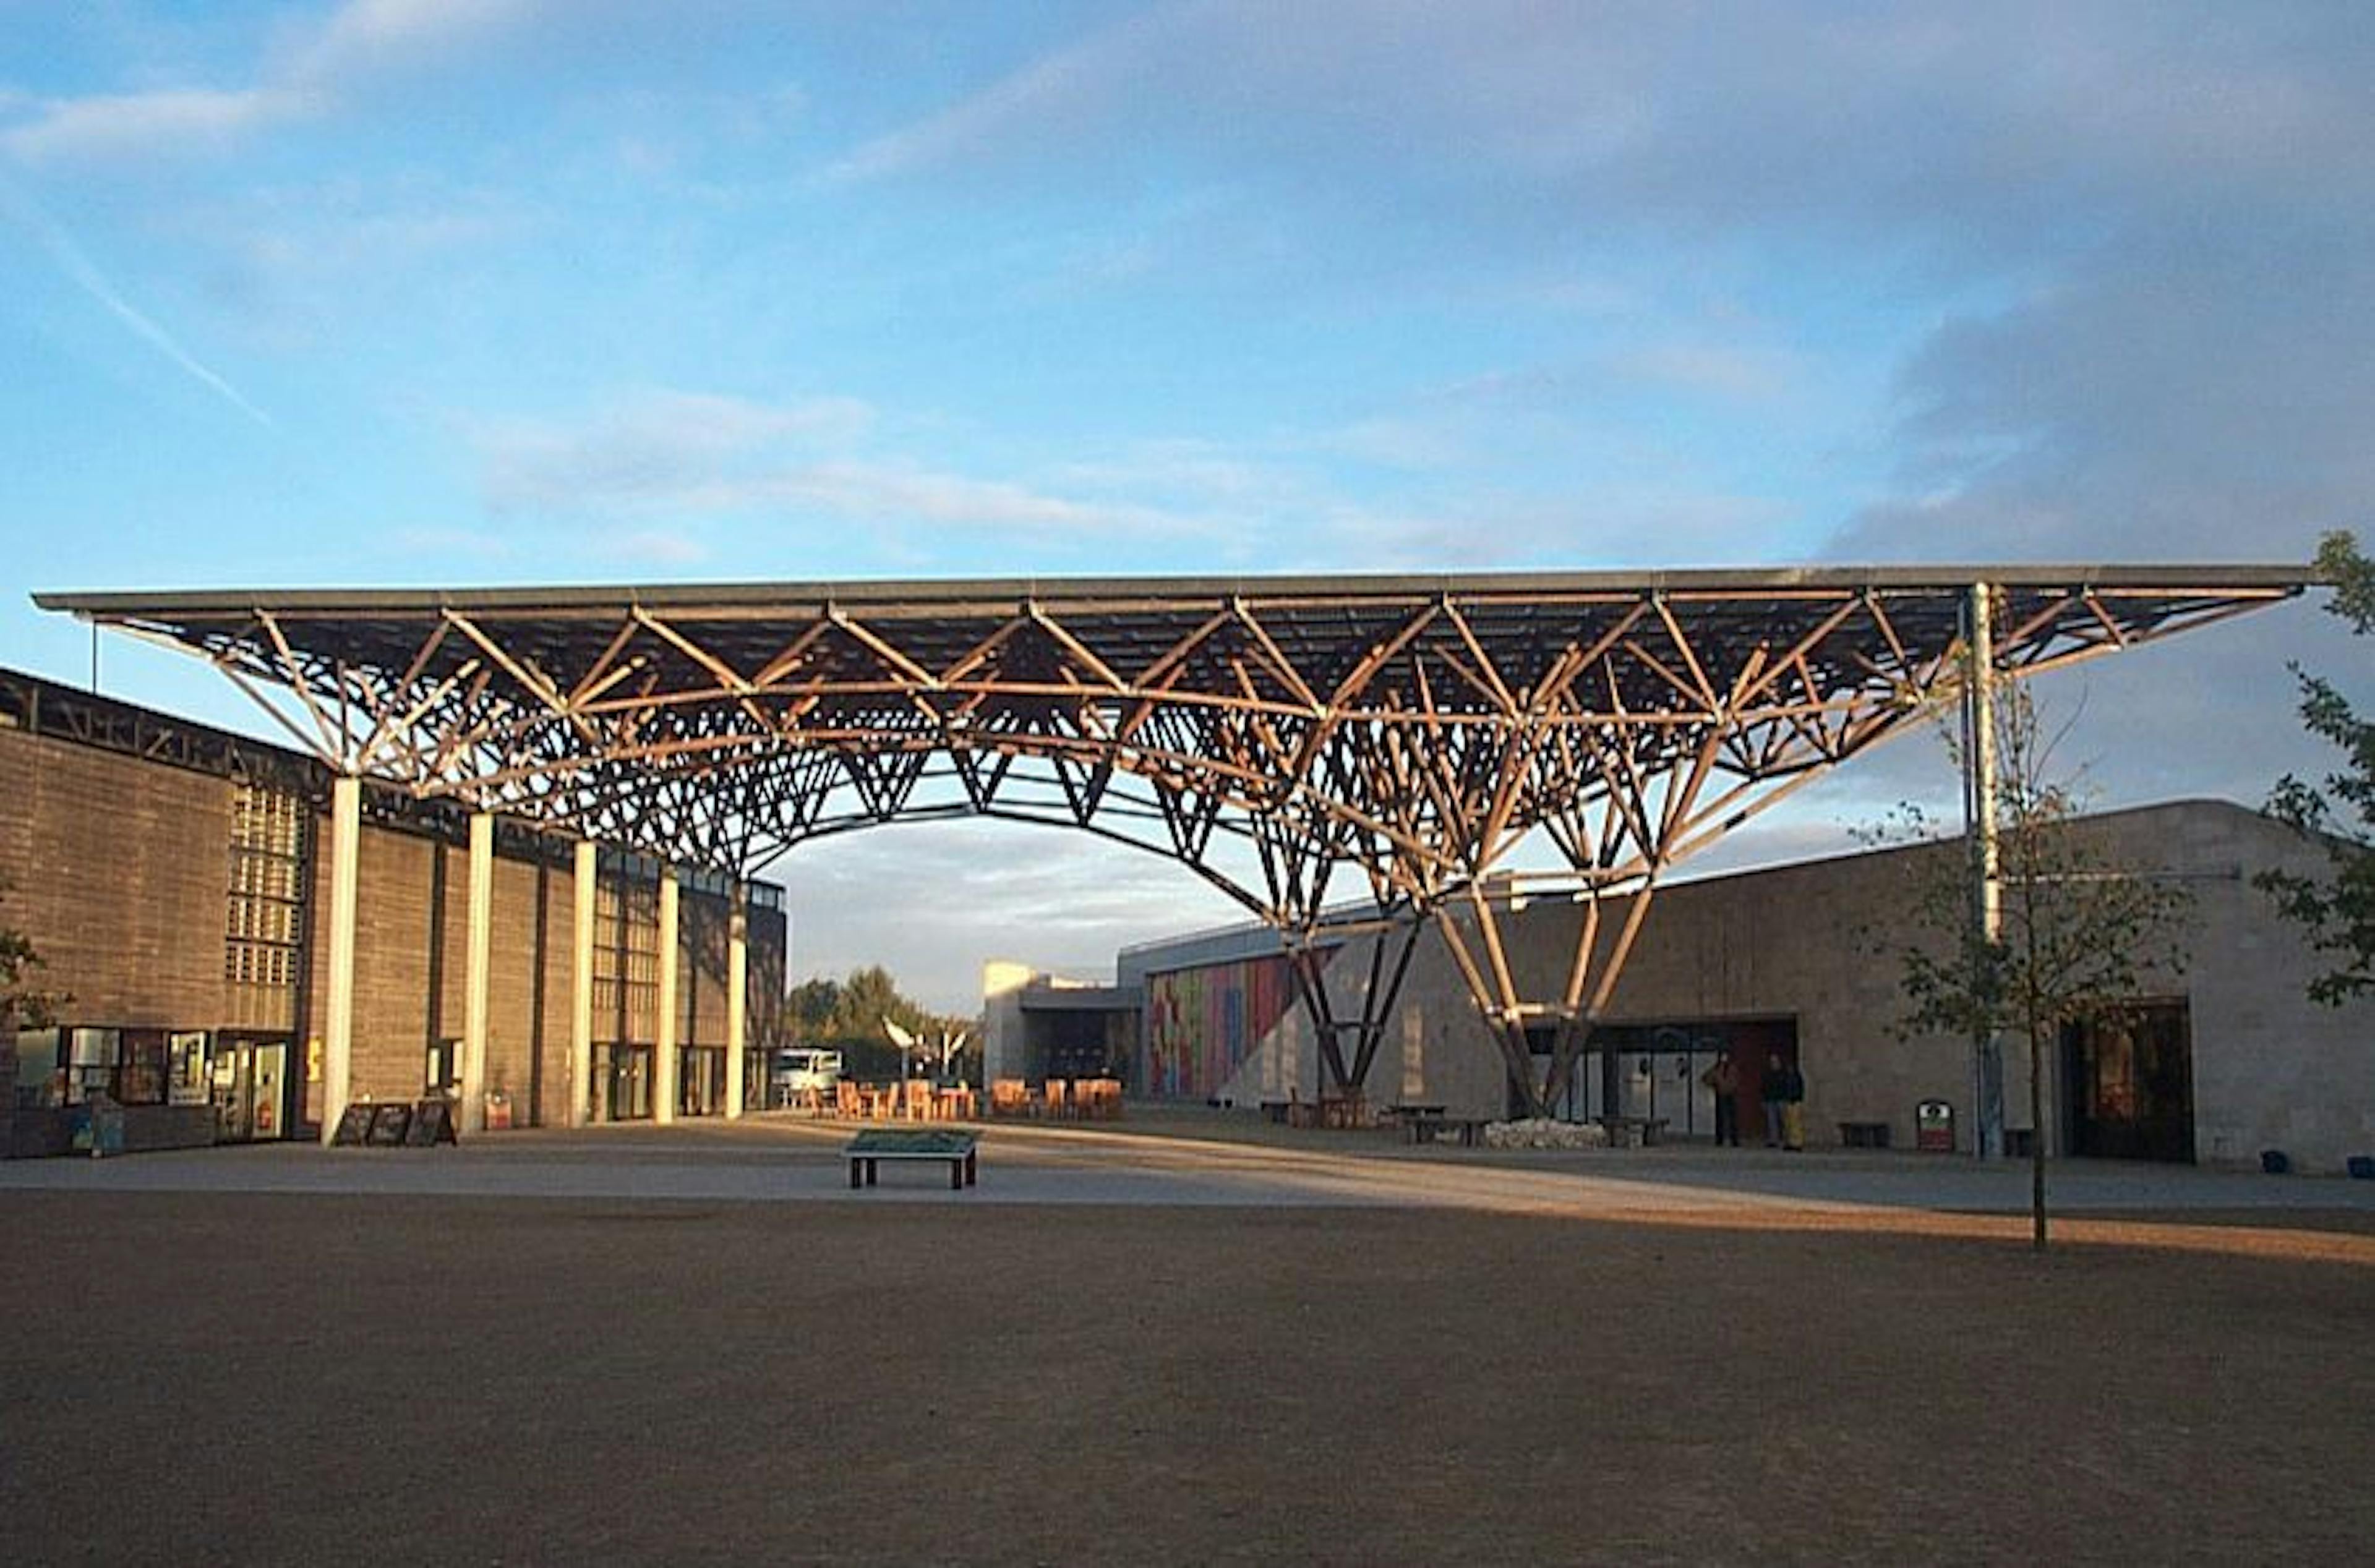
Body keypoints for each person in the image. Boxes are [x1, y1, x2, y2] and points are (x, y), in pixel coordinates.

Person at [1700, 1052, 1741, 1146]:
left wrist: (1733, 1087)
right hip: (1721, 1095)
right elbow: (1706, 1077)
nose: (1724, 1059)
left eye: (1726, 1057)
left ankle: (1734, 1139)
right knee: (1720, 1118)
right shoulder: (1716, 1068)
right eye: (1723, 1057)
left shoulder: (1732, 1068)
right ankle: (1720, 1139)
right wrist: (1714, 1085)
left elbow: (1737, 1079)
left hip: (1731, 1094)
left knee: (1732, 1118)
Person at [1780, 1056, 1807, 1152]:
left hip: (1795, 1102)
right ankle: (1790, 1142)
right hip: (1789, 1101)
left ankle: (1797, 1143)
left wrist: (1797, 1099)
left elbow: (1799, 1090)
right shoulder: (1786, 1077)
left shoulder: (1796, 1077)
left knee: (1796, 1124)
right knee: (1788, 1123)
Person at [1760, 1052, 1787, 1148]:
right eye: (1772, 1062)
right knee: (1772, 1121)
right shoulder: (1768, 1074)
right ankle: (1773, 1140)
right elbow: (1764, 1087)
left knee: (1783, 1121)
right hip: (1770, 1100)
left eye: (1775, 1062)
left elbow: (1786, 1086)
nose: (1773, 1064)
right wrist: (1764, 1100)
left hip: (1781, 1099)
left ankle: (1785, 1139)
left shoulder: (1783, 1074)